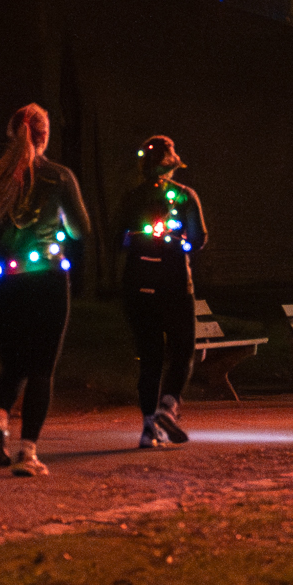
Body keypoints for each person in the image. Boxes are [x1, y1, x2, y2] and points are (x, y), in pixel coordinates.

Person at [0, 103, 91, 477]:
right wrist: (60, 224)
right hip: (46, 278)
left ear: (12, 134)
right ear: (44, 135)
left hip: (4, 281)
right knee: (41, 368)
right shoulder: (59, 177)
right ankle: (28, 453)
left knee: (12, 365)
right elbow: (81, 229)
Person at [118, 135, 207, 449]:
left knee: (150, 357)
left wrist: (137, 238)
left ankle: (148, 428)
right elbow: (199, 238)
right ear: (172, 163)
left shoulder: (132, 197)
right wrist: (181, 242)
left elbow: (117, 239)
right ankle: (168, 406)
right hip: (175, 283)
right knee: (183, 349)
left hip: (138, 283)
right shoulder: (185, 195)